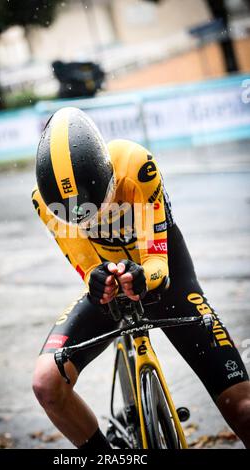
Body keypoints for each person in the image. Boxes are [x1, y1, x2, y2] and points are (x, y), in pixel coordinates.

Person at [32, 107, 250, 450]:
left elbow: (156, 262)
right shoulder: (43, 201)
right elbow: (88, 266)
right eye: (81, 220)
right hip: (108, 290)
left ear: (109, 178)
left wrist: (142, 276)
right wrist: (98, 279)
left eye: (101, 207)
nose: (92, 222)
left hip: (167, 279)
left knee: (244, 408)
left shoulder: (136, 164)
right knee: (46, 383)